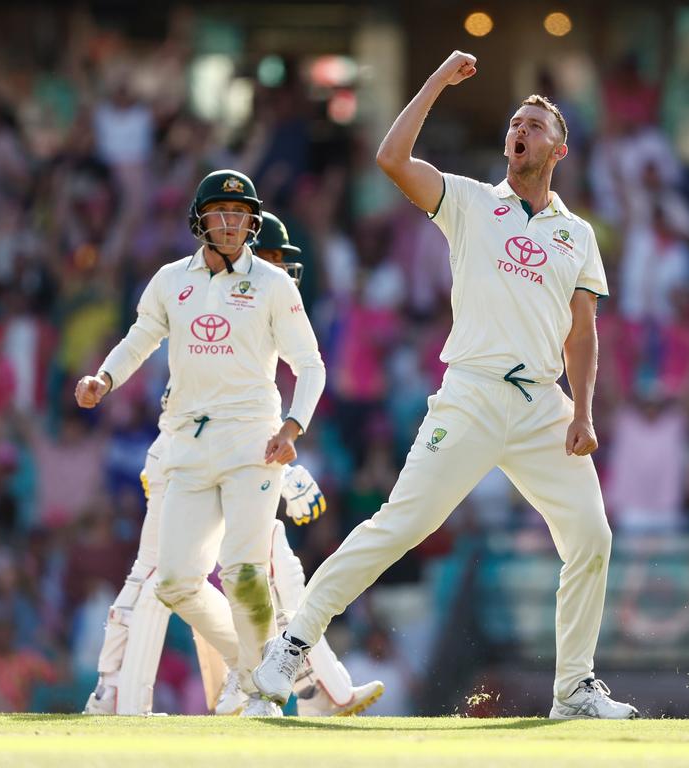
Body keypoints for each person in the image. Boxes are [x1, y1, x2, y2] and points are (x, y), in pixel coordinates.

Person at [253, 50, 636, 720]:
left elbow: (583, 333)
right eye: (515, 123)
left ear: (560, 149)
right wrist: (435, 81)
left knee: (591, 538)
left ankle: (573, 688)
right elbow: (392, 159)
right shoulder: (467, 201)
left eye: (535, 125)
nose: (520, 131)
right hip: (472, 393)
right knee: (400, 524)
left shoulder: (576, 234)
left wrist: (584, 411)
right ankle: (292, 645)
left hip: (545, 401)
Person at [83, 215, 382, 718]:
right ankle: (121, 696)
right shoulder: (182, 283)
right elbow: (150, 343)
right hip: (181, 449)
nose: (284, 271)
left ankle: (295, 690)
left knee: (261, 569)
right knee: (164, 579)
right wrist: (106, 378)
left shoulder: (269, 290)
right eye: (277, 260)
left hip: (240, 449)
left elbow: (274, 384)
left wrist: (289, 445)